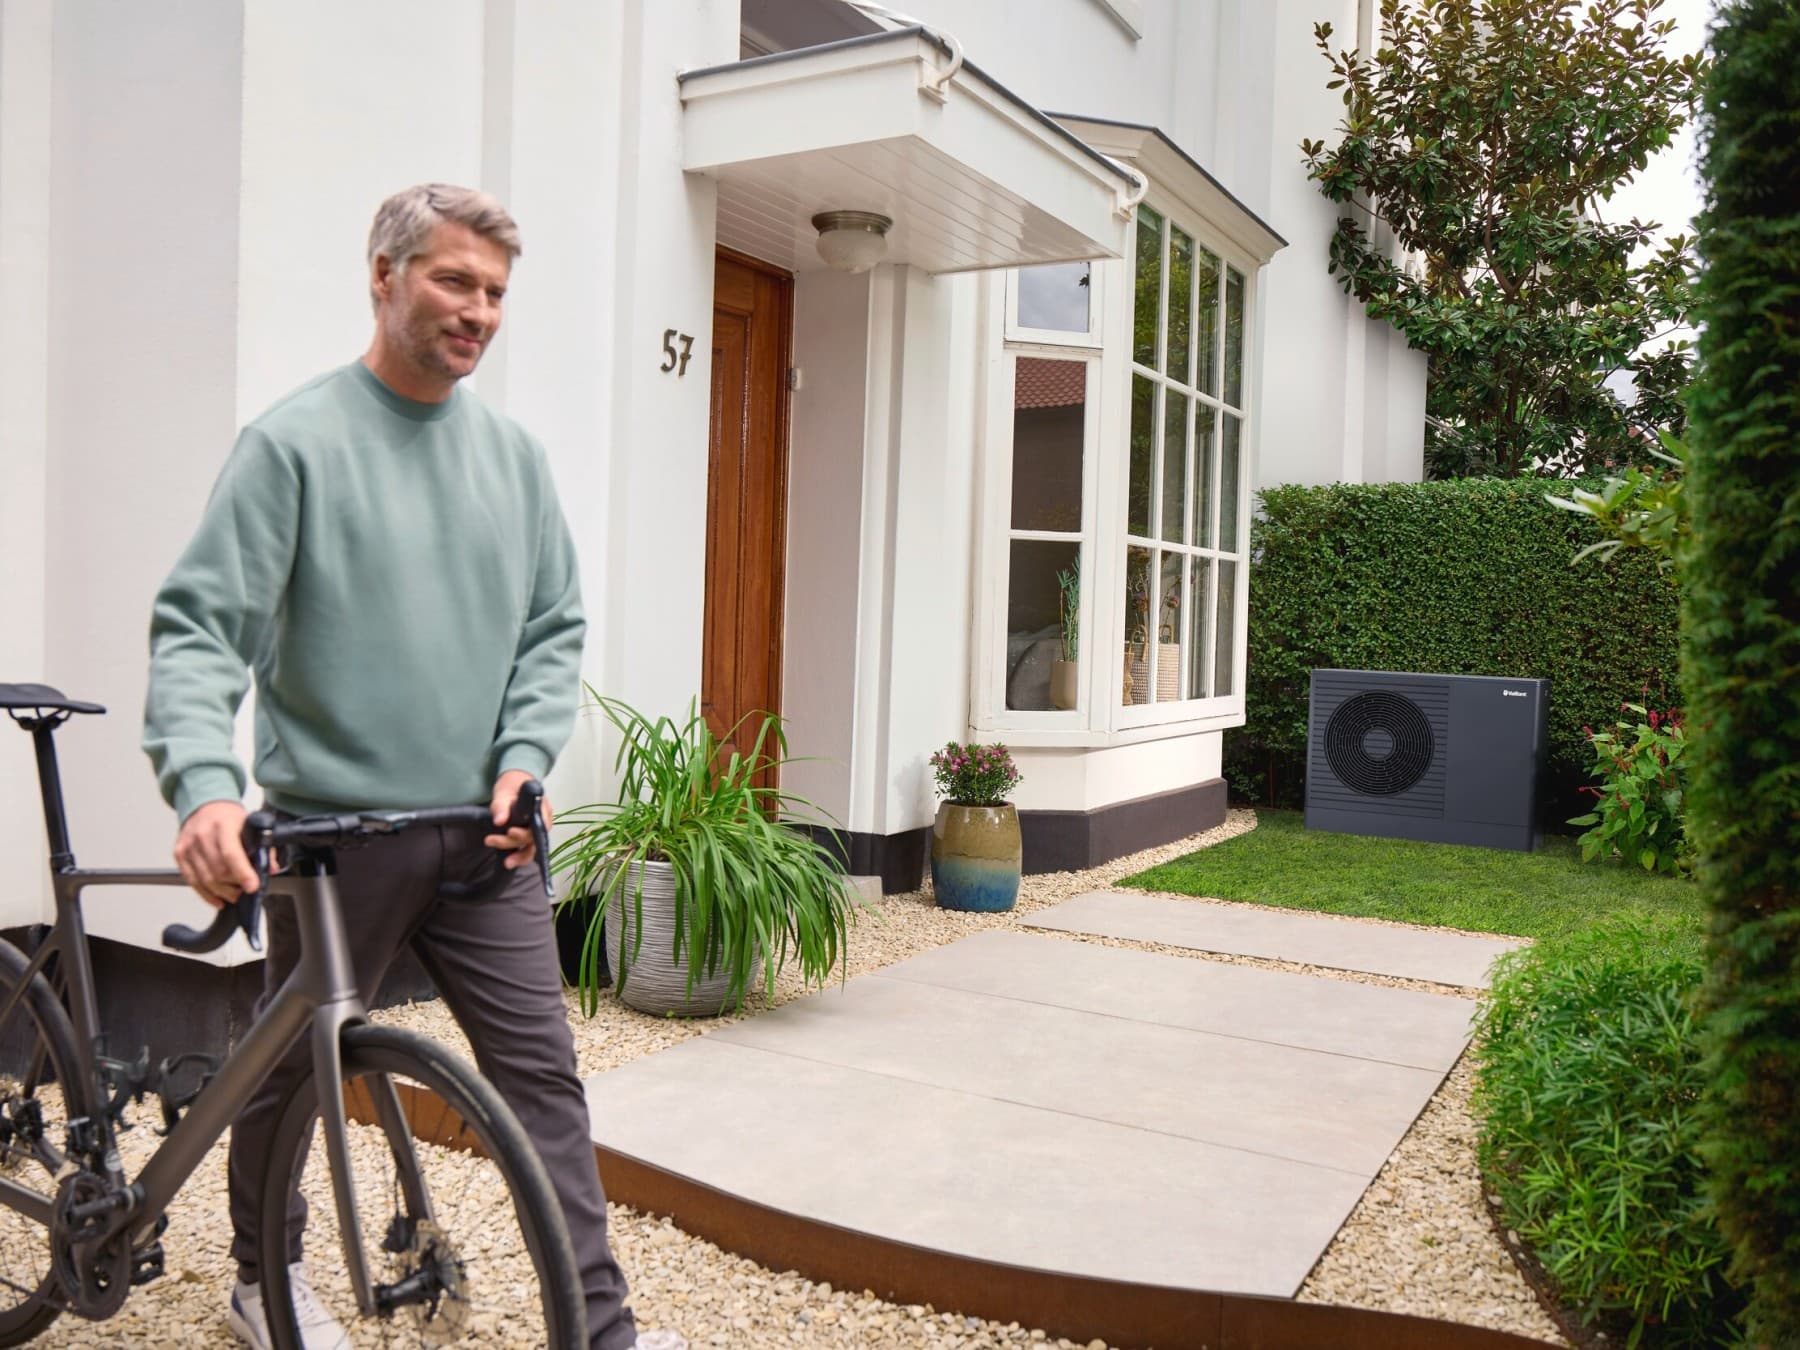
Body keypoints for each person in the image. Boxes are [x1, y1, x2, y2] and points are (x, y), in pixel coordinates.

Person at [143, 183, 682, 1350]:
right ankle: (265, 1281)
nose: (478, 310)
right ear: (382, 276)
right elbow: (200, 630)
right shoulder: (293, 445)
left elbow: (551, 631)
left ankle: (600, 1331)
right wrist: (205, 787)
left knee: (543, 1089)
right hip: (337, 846)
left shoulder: (516, 460)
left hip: (484, 844)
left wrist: (525, 758)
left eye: (494, 292)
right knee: (289, 1081)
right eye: (453, 280)